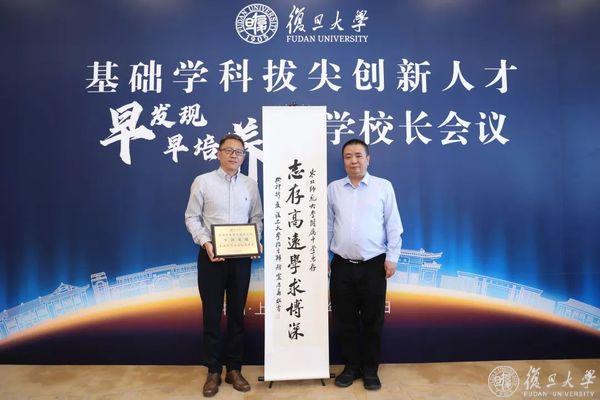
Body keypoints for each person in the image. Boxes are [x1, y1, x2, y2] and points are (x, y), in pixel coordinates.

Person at [185, 134, 263, 397]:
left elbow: (257, 218)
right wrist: (206, 242)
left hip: (241, 260)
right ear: (218, 153)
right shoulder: (203, 181)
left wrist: (256, 240)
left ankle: (235, 369)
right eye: (228, 150)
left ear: (243, 157)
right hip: (211, 258)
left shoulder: (250, 185)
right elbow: (192, 218)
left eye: (239, 152)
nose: (234, 155)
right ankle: (213, 371)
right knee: (212, 314)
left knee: (237, 315)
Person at [327, 139, 403, 390]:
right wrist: (323, 258)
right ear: (343, 161)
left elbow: (393, 225)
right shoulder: (333, 189)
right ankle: (351, 367)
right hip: (341, 265)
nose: (354, 161)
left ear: (368, 159)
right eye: (348, 156)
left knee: (372, 320)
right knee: (345, 320)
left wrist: (392, 257)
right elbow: (327, 225)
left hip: (374, 265)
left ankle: (370, 370)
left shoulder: (383, 187)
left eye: (359, 155)